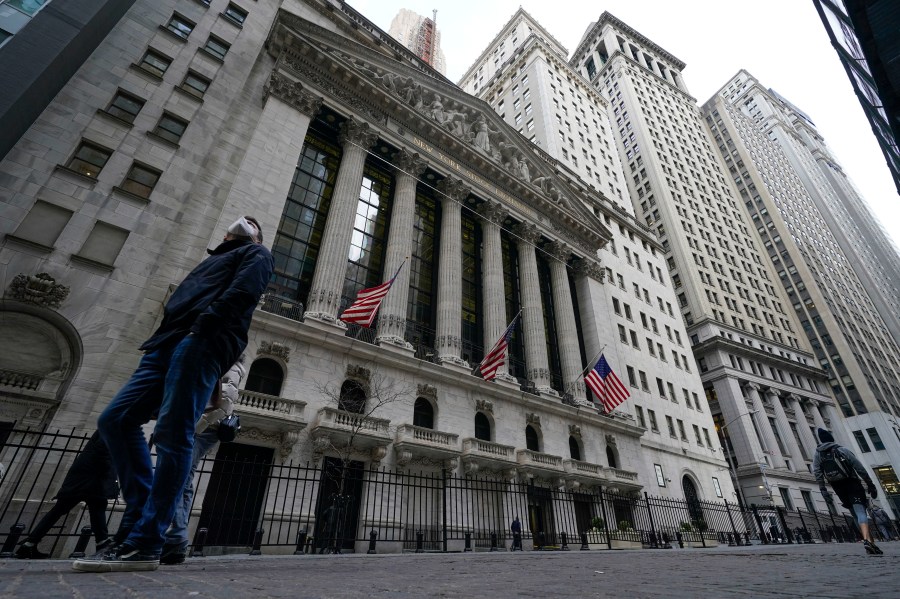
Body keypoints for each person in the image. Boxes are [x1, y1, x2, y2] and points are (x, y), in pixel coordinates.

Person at [73, 216, 273, 572]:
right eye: (241, 222)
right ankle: (138, 518)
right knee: (115, 420)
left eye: (253, 225)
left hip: (201, 340)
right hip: (164, 345)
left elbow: (242, 294)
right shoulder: (212, 258)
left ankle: (146, 540)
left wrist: (204, 326)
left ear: (256, 238)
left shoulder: (256, 255)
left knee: (171, 433)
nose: (245, 223)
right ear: (224, 233)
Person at [160, 356, 246, 565]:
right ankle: (176, 536)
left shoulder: (229, 364)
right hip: (204, 427)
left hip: (204, 428)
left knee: (176, 477)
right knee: (185, 480)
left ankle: (176, 538)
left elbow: (223, 401)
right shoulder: (225, 363)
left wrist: (193, 427)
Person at [16, 431, 118, 559]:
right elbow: (104, 450)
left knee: (62, 509)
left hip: (86, 476)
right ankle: (102, 544)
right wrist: (109, 471)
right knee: (97, 505)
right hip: (91, 476)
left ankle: (29, 544)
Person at [813, 427, 882, 555]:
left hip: (837, 486)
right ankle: (867, 540)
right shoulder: (842, 450)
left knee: (854, 515)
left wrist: (823, 489)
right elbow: (859, 467)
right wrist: (870, 484)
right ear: (831, 439)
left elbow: (817, 472)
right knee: (860, 511)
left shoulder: (818, 454)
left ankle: (871, 543)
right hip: (851, 483)